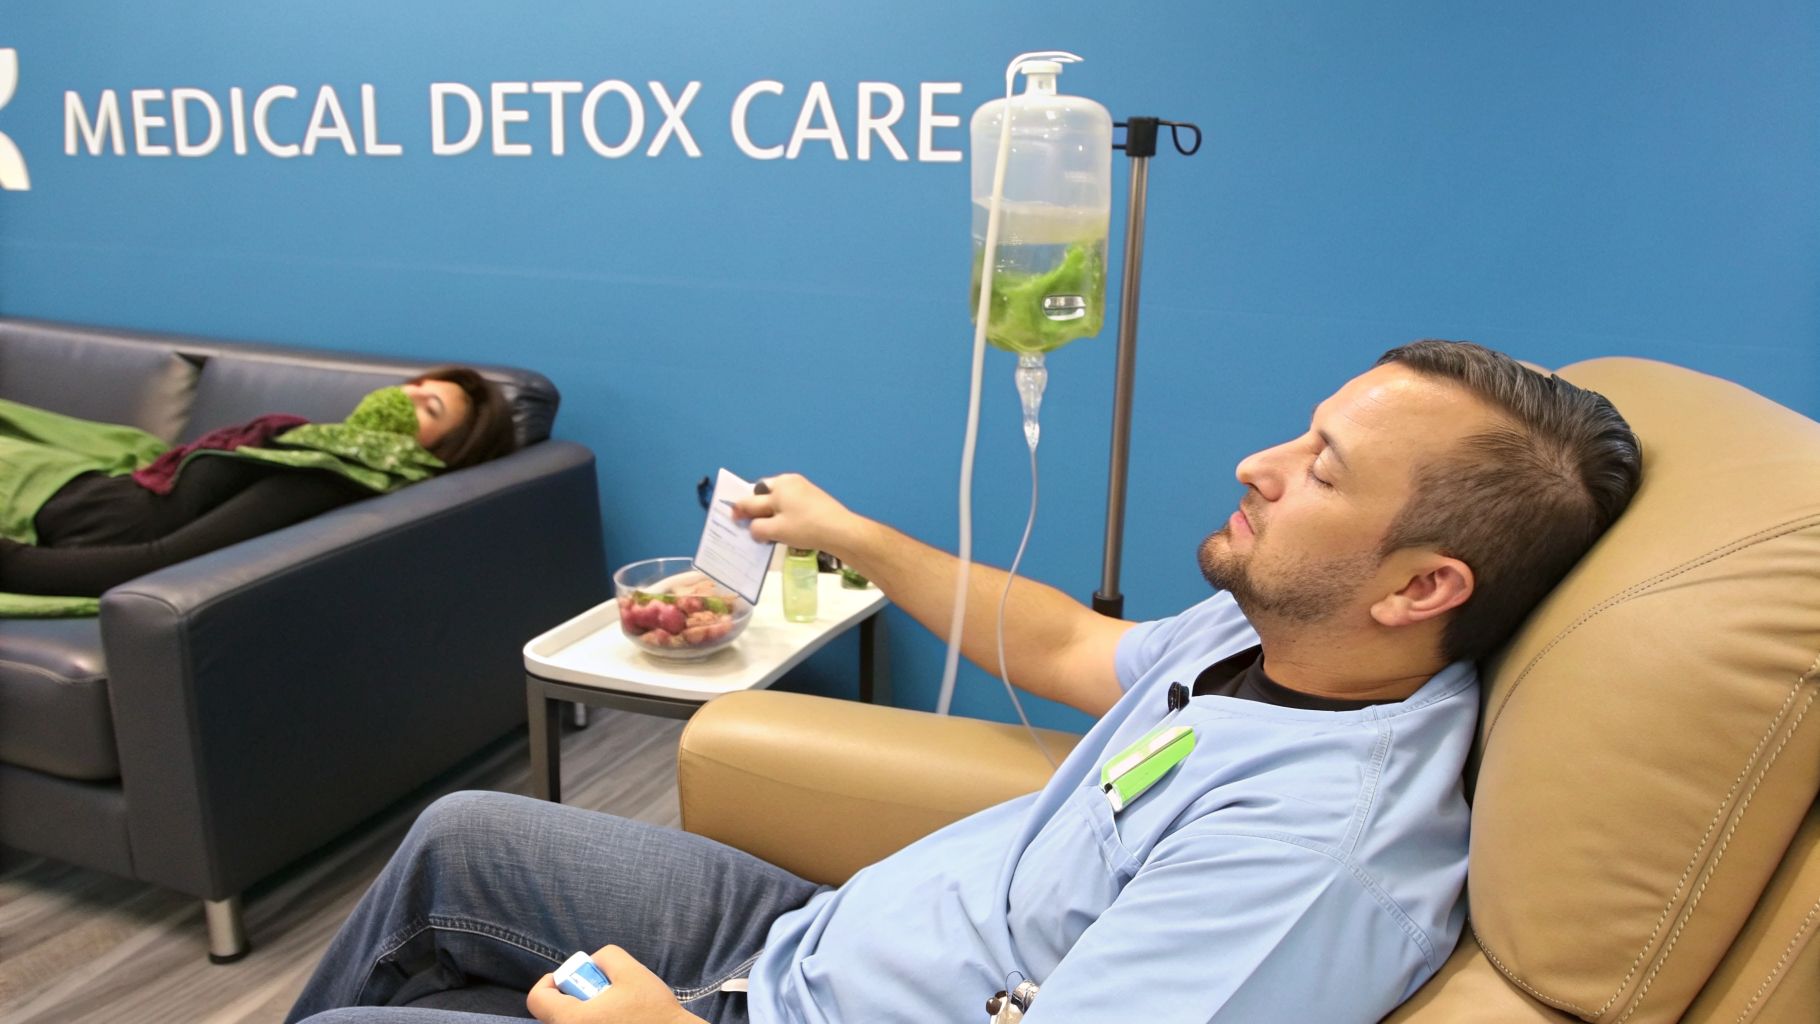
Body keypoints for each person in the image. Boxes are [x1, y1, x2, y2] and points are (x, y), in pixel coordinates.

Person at [286, 340, 1642, 1024]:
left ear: (1421, 587)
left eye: (1323, 470)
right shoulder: (1281, 646)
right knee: (466, 835)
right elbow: (1058, 645)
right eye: (1304, 431)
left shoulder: (1311, 856)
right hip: (815, 940)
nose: (1259, 464)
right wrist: (855, 536)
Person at [0, 367, 516, 599]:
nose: (404, 397)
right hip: (88, 486)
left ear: (445, 450)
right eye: (415, 386)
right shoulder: (333, 448)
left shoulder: (333, 475)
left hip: (66, 508)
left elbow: (162, 558)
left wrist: (13, 564)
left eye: (429, 408)